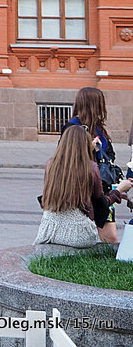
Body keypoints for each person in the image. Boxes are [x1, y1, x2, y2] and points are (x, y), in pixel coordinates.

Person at [35, 124, 132, 248]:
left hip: (49, 231)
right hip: (79, 235)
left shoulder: (51, 164)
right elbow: (100, 204)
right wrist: (118, 190)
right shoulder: (90, 167)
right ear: (84, 144)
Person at [61, 86, 121, 242]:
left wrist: (102, 155)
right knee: (96, 236)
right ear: (93, 104)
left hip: (104, 187)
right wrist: (90, 149)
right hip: (83, 188)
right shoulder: (72, 127)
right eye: (100, 103)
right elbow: (66, 157)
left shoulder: (99, 128)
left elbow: (111, 154)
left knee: (110, 238)